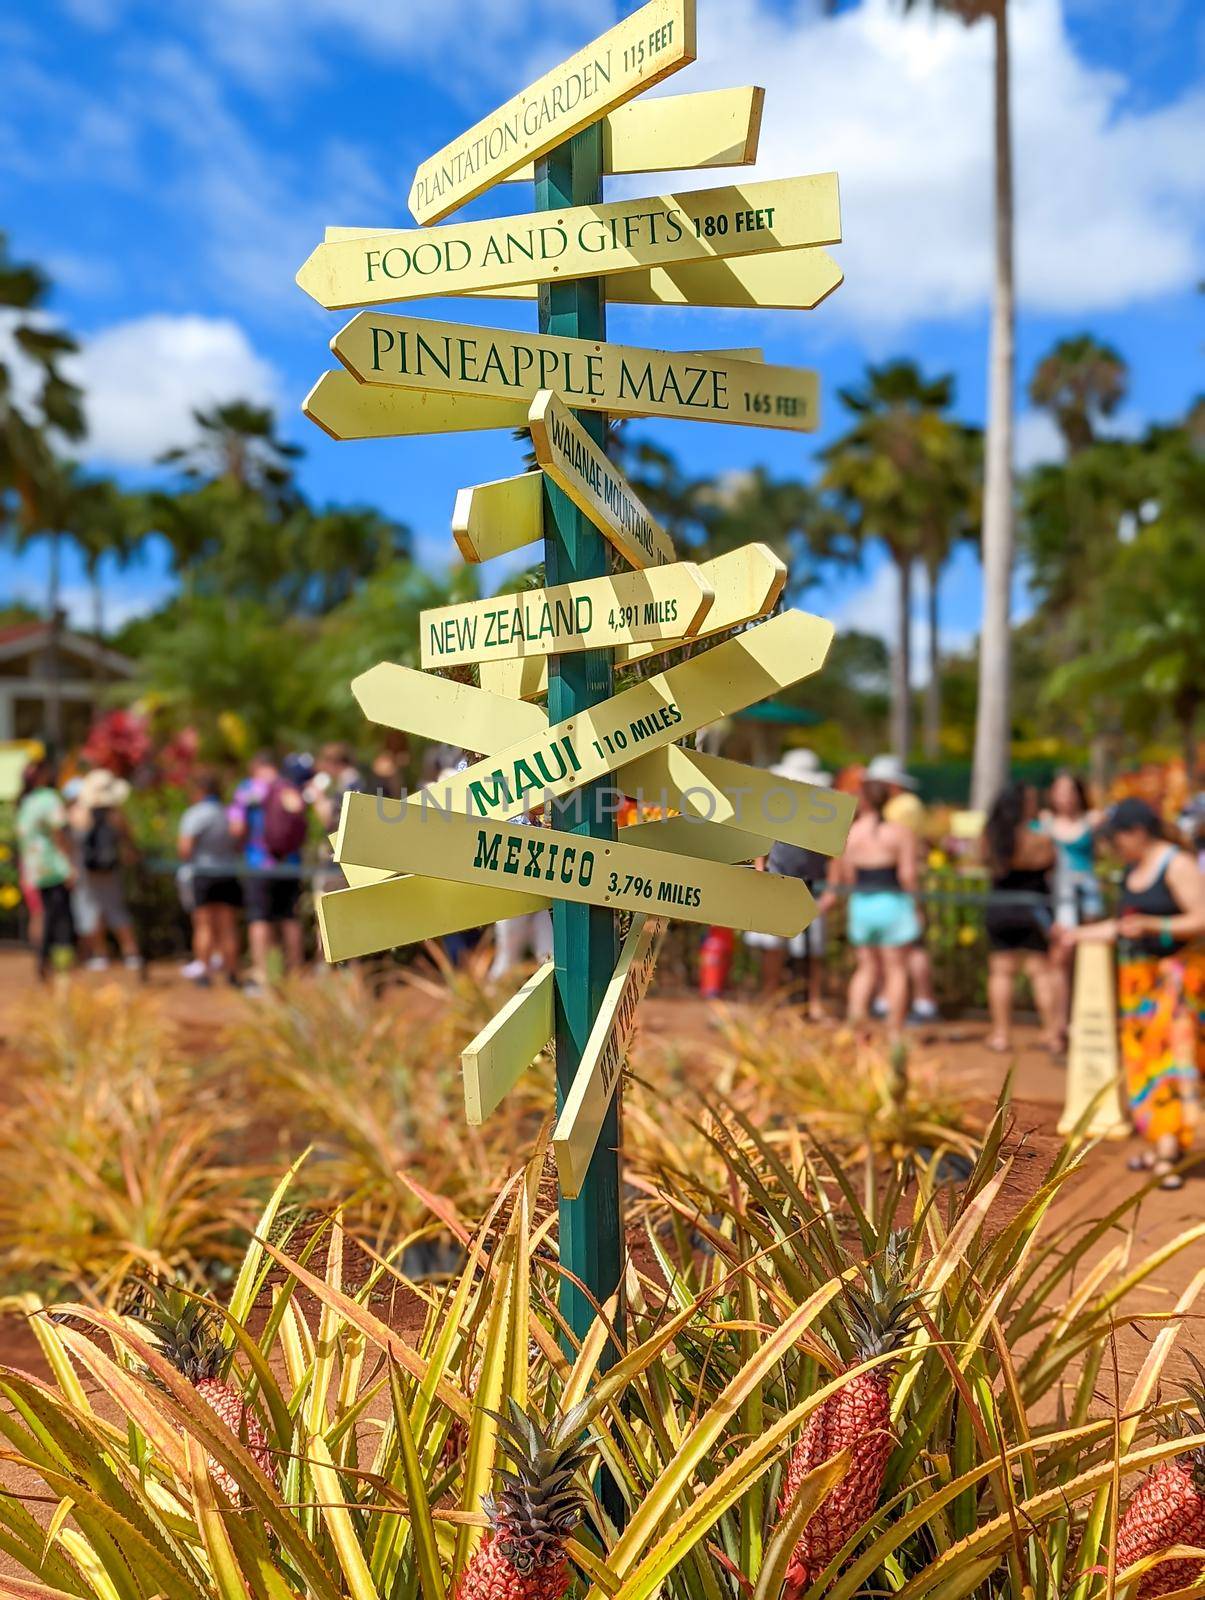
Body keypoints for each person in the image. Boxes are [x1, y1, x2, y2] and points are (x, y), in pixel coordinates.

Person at [1058, 798, 1205, 1189]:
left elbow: (1200, 917)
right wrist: (1075, 935)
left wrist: (1153, 925)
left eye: (1117, 838)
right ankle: (1160, 1144)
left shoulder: (1177, 864)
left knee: (1171, 1062)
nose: (1114, 848)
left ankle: (1169, 1153)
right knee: (1140, 1064)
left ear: (1137, 832)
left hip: (1175, 981)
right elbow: (1122, 926)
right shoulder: (1131, 870)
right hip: (1136, 986)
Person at [819, 778, 920, 1036]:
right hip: (893, 903)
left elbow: (848, 877)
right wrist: (918, 906)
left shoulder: (850, 833)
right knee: (896, 969)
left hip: (861, 905)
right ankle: (895, 1031)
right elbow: (908, 875)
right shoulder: (901, 833)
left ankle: (856, 1027)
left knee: (865, 969)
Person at [746, 749, 833, 1021]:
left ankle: (813, 1001)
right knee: (773, 948)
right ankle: (770, 998)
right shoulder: (775, 810)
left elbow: (832, 853)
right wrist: (762, 871)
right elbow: (760, 840)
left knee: (813, 952)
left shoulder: (823, 814)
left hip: (811, 886)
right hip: (778, 882)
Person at [982, 782, 1065, 1054]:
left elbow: (983, 862)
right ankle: (1052, 1034)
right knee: (1040, 973)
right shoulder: (1039, 839)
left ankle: (1001, 1034)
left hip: (1000, 908)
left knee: (1001, 972)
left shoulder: (991, 839)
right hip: (1031, 909)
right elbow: (1051, 863)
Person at [865, 754, 938, 1023]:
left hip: (897, 884)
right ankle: (909, 1001)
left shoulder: (901, 807)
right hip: (895, 884)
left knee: (910, 949)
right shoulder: (908, 805)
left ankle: (921, 1002)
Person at [230, 751, 307, 989]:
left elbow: (236, 827)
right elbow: (300, 814)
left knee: (259, 918)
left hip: (258, 863)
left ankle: (262, 974)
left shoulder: (247, 789)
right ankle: (295, 972)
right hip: (290, 864)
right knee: (289, 917)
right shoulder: (287, 787)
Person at [69, 767, 141, 972]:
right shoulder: (115, 815)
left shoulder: (78, 812)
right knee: (115, 910)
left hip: (86, 870)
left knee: (92, 911)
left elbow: (72, 841)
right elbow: (128, 841)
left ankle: (101, 955)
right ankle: (131, 953)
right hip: (109, 869)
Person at [178, 770, 242, 985]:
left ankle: (204, 973)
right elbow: (238, 842)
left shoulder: (195, 814)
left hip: (203, 874)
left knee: (203, 925)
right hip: (227, 873)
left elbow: (185, 848)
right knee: (227, 926)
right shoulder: (228, 813)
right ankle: (232, 973)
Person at [15, 757, 76, 979]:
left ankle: (43, 960)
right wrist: (70, 865)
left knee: (44, 916)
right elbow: (59, 833)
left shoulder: (26, 802)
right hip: (53, 867)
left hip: (34, 869)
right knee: (59, 920)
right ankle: (61, 967)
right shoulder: (49, 799)